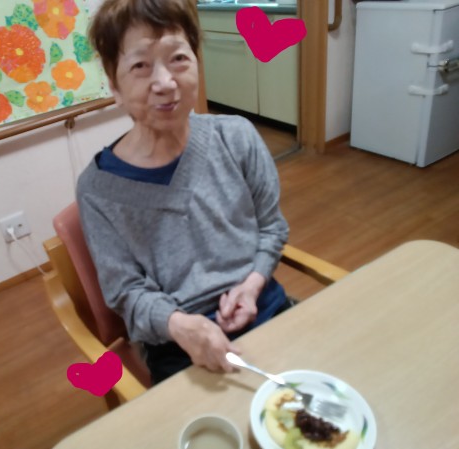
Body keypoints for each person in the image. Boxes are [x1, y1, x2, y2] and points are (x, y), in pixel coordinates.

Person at [77, 0, 290, 385]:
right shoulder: (97, 189)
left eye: (177, 58)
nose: (165, 82)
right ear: (114, 86)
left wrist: (253, 284)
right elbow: (126, 292)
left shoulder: (236, 137)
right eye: (140, 66)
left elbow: (271, 227)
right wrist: (179, 326)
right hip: (178, 344)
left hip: (266, 306)